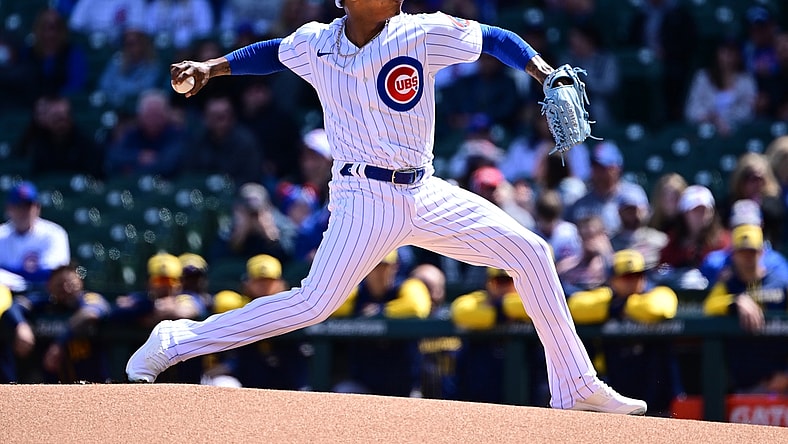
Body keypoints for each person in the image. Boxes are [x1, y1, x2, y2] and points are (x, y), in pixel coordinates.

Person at [127, 1, 647, 414]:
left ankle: (575, 386)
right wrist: (211, 69)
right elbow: (270, 51)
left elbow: (497, 39)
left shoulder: (422, 30)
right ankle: (177, 339)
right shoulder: (315, 42)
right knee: (313, 305)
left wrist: (544, 71)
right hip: (362, 198)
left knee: (531, 252)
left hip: (425, 189)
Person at [567, 249, 682, 416]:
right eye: (625, 277)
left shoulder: (660, 292)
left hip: (656, 390)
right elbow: (575, 307)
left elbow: (658, 309)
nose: (633, 281)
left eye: (637, 275)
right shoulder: (607, 297)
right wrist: (614, 307)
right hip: (616, 388)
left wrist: (623, 306)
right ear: (613, 280)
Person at [204, 254, 312, 390]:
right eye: (259, 281)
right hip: (243, 380)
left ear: (281, 284)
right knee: (223, 384)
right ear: (246, 283)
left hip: (287, 381)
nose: (264, 287)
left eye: (269, 281)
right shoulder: (236, 305)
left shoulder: (294, 308)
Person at [331, 250, 431, 397]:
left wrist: (380, 311)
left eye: (384, 266)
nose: (379, 272)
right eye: (374, 266)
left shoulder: (407, 285)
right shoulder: (358, 291)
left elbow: (417, 307)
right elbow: (332, 307)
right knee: (343, 392)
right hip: (363, 386)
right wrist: (357, 310)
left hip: (404, 386)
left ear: (395, 267)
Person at [703, 224, 788, 394]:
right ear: (733, 254)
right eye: (742, 252)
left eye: (752, 251)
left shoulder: (781, 282)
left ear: (762, 252)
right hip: (745, 384)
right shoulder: (728, 285)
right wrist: (736, 300)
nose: (748, 257)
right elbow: (709, 307)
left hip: (782, 379)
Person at [451, 267, 548, 406]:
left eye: (510, 281)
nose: (504, 287)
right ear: (488, 283)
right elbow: (461, 312)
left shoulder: (533, 300)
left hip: (528, 386)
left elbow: (546, 307)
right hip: (484, 389)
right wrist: (501, 311)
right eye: (498, 281)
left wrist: (502, 307)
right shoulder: (479, 299)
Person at [13, 264, 111, 383]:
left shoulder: (90, 298)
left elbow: (90, 314)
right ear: (49, 286)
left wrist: (59, 344)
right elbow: (15, 306)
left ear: (80, 283)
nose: (66, 288)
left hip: (94, 385)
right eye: (60, 285)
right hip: (53, 388)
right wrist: (21, 326)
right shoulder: (44, 304)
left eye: (71, 284)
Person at [0, 181, 71, 292]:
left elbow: (55, 274)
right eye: (18, 206)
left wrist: (7, 274)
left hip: (45, 294)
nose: (23, 212)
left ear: (37, 208)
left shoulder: (54, 233)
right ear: (9, 209)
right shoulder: (1, 234)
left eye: (28, 206)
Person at [104, 90, 188, 178]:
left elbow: (168, 165)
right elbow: (113, 157)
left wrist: (131, 169)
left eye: (157, 115)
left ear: (166, 115)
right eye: (149, 115)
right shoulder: (132, 133)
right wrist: (138, 156)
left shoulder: (176, 134)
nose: (153, 120)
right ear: (140, 116)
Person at [186, 95, 264, 185]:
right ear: (205, 118)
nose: (219, 122)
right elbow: (189, 172)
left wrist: (226, 187)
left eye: (223, 116)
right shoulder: (198, 139)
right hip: (203, 193)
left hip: (237, 191)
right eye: (214, 116)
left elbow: (251, 177)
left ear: (232, 117)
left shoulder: (245, 142)